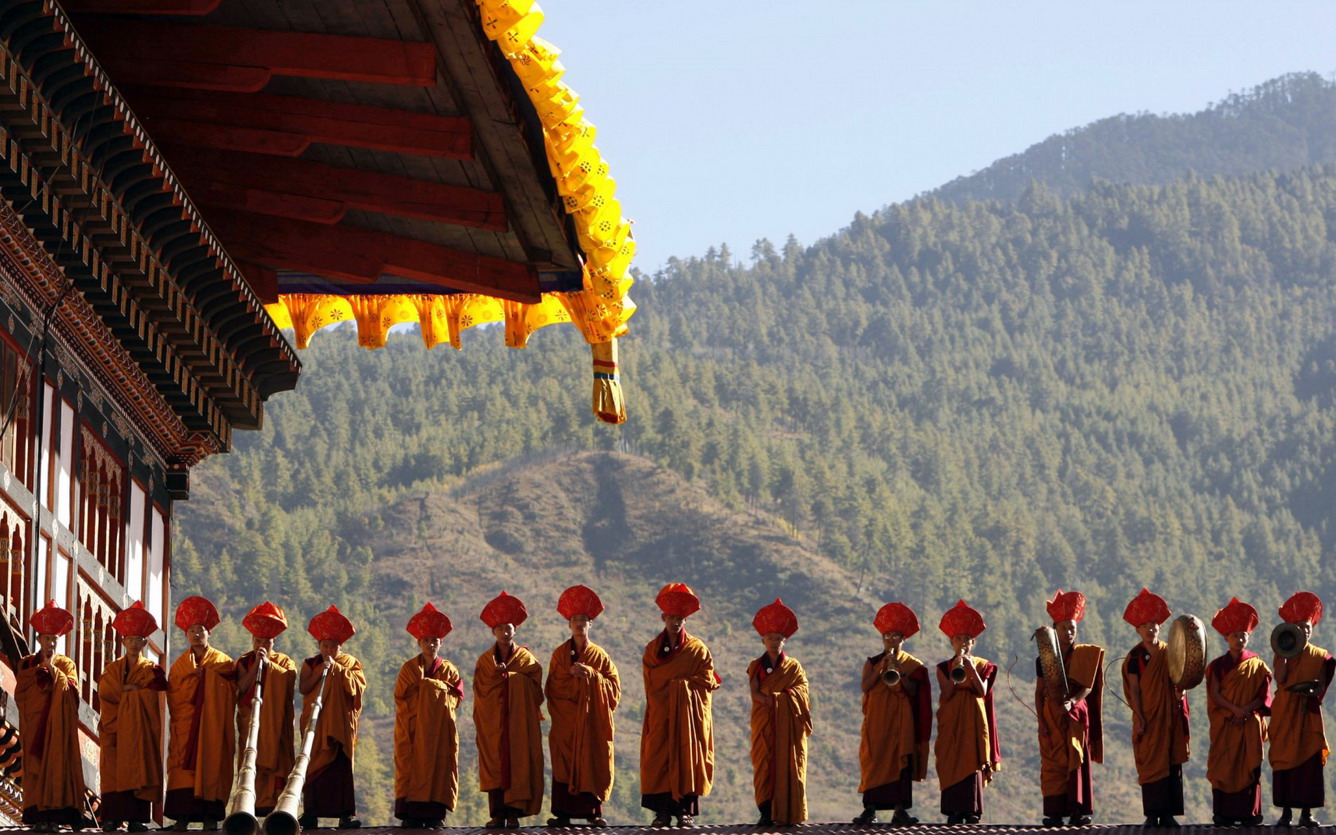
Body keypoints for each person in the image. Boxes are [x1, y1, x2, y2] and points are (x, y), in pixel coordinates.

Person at [641, 582, 720, 827]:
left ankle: (684, 811)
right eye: (671, 617)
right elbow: (651, 681)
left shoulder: (697, 650)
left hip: (688, 718)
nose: (675, 622)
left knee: (688, 757)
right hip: (662, 714)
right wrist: (674, 685)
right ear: (663, 617)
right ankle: (661, 813)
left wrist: (681, 687)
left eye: (680, 618)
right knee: (658, 757)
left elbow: (708, 680)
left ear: (685, 620)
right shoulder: (653, 649)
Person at [545, 585, 620, 827]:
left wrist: (591, 676)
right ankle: (563, 813)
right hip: (566, 723)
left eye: (584, 620)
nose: (579, 624)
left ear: (591, 624)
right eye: (575, 620)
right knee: (564, 762)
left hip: (590, 724)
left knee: (591, 759)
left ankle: (593, 813)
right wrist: (568, 673)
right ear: (569, 624)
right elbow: (552, 688)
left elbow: (614, 689)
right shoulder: (559, 655)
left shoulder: (600, 656)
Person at [854, 601, 931, 826]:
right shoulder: (872, 662)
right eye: (888, 635)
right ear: (882, 637)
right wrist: (881, 668)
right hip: (876, 720)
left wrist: (899, 669)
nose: (891, 639)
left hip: (900, 721)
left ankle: (900, 810)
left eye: (896, 636)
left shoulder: (912, 665)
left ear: (903, 639)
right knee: (873, 760)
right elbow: (865, 687)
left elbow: (914, 691)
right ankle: (870, 810)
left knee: (900, 761)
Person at [474, 592, 544, 829]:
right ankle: (497, 815)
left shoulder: (526, 659)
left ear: (515, 630)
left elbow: (536, 689)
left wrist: (510, 678)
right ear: (493, 631)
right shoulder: (485, 661)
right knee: (495, 764)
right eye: (500, 627)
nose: (505, 631)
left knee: (518, 763)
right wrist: (497, 678)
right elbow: (481, 690)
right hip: (494, 722)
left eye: (509, 627)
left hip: (519, 724)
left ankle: (514, 814)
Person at [165, 595, 236, 830]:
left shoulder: (222, 662)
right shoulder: (179, 666)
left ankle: (210, 817)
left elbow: (231, 688)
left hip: (212, 726)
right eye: (191, 630)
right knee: (183, 764)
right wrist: (194, 682)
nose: (196, 634)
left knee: (212, 762)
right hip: (186, 726)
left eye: (201, 629)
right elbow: (174, 694)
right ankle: (182, 817)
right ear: (186, 635)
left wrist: (208, 679)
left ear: (210, 633)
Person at [1120, 589, 1188, 827]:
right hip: (1148, 717)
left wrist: (1181, 692)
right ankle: (1152, 813)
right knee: (1150, 763)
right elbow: (1135, 689)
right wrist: (1139, 716)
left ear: (1160, 627)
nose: (1150, 629)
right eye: (1145, 626)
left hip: (1169, 715)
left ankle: (1168, 813)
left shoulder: (1170, 652)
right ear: (1138, 630)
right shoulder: (1135, 657)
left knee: (1170, 761)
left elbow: (1179, 678)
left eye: (1154, 625)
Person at [1035, 589, 1104, 826]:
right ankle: (1054, 813)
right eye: (1064, 627)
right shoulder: (1044, 658)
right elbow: (1038, 691)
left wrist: (1072, 701)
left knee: (1076, 758)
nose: (1069, 632)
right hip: (1051, 715)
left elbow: (1088, 686)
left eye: (1072, 627)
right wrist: (1041, 722)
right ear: (1055, 630)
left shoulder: (1084, 655)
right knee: (1053, 763)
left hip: (1075, 714)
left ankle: (1077, 812)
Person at [16, 600, 86, 832]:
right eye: (46, 639)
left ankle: (55, 816)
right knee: (35, 768)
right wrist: (39, 673)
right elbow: (21, 693)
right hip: (35, 723)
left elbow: (73, 692)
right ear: (39, 640)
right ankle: (37, 817)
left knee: (57, 765)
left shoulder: (66, 664)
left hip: (58, 727)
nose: (51, 643)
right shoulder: (27, 663)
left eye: (54, 640)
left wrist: (54, 673)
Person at [98, 601, 167, 833]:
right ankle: (112, 818)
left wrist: (132, 693)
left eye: (139, 640)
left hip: (140, 732)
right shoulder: (112, 669)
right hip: (115, 730)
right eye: (130, 640)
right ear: (123, 642)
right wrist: (131, 692)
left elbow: (153, 697)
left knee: (139, 769)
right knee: (113, 772)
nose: (134, 644)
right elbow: (107, 693)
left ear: (145, 643)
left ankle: (137, 819)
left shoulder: (150, 669)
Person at [394, 602, 465, 828]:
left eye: (435, 640)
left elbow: (456, 697)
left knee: (440, 768)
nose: (431, 644)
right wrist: (428, 691)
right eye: (426, 640)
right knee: (409, 765)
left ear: (441, 643)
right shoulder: (408, 668)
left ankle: (436, 814)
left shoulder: (449, 669)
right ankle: (410, 814)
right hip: (413, 730)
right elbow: (401, 697)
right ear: (419, 642)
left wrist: (430, 688)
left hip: (439, 731)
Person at [1269, 591, 1334, 828]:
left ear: (1312, 627)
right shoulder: (1282, 651)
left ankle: (1306, 814)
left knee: (1308, 764)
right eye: (1298, 627)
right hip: (1285, 712)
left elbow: (1320, 685)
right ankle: (1286, 814)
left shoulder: (1320, 656)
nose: (1304, 631)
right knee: (1284, 759)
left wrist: (1311, 692)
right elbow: (1281, 678)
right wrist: (1285, 653)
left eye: (1307, 627)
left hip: (1308, 714)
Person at [1205, 597, 1272, 826]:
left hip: (1248, 724)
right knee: (1222, 765)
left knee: (1248, 765)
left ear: (1249, 637)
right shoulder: (1217, 665)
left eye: (1243, 635)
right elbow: (1214, 694)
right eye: (1235, 635)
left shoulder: (1257, 665)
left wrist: (1244, 711)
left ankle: (1249, 813)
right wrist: (1235, 710)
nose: (1239, 639)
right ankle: (1222, 813)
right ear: (1226, 638)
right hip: (1226, 722)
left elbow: (1263, 696)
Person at [298, 605, 366, 830]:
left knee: (341, 769)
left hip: (340, 726)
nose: (328, 649)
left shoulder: (350, 664)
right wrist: (320, 671)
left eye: (333, 646)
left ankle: (345, 816)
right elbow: (304, 688)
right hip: (316, 724)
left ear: (341, 646)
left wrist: (338, 670)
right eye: (324, 645)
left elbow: (357, 689)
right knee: (313, 764)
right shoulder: (310, 663)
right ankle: (311, 814)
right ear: (318, 645)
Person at [934, 600, 1000, 825]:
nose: (962, 643)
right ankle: (953, 811)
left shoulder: (984, 665)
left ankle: (972, 810)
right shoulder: (944, 667)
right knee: (951, 760)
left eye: (967, 640)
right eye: (958, 639)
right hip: (952, 723)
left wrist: (970, 667)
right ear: (951, 642)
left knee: (972, 763)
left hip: (973, 723)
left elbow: (982, 690)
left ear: (973, 642)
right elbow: (946, 695)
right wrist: (957, 668)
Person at [748, 598, 811, 826]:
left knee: (790, 764)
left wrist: (779, 700)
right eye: (770, 639)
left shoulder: (793, 667)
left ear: (784, 641)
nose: (774, 643)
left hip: (787, 726)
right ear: (763, 640)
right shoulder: (756, 665)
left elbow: (802, 690)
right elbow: (754, 692)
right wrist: (769, 702)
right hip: (765, 722)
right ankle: (766, 811)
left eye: (778, 639)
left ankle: (789, 812)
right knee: (764, 764)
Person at [234, 602, 296, 818]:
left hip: (276, 723)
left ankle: (276, 807)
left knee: (278, 760)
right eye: (257, 640)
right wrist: (256, 666)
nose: (261, 645)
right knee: (250, 758)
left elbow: (288, 684)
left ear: (274, 641)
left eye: (266, 641)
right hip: (250, 720)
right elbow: (241, 688)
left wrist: (269, 664)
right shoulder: (244, 661)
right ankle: (251, 803)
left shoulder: (285, 662)